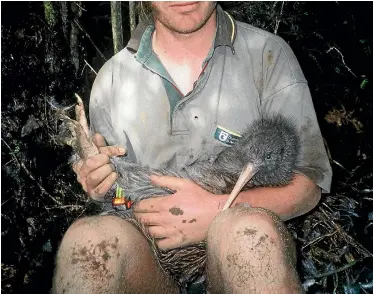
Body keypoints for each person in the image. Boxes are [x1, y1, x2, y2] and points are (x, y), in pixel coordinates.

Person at [53, 2, 332, 293]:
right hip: (149, 257)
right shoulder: (112, 80)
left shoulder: (266, 55)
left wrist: (218, 210)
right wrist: (106, 187)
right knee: (87, 242)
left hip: (235, 249)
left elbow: (307, 186)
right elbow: (121, 201)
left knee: (251, 236)